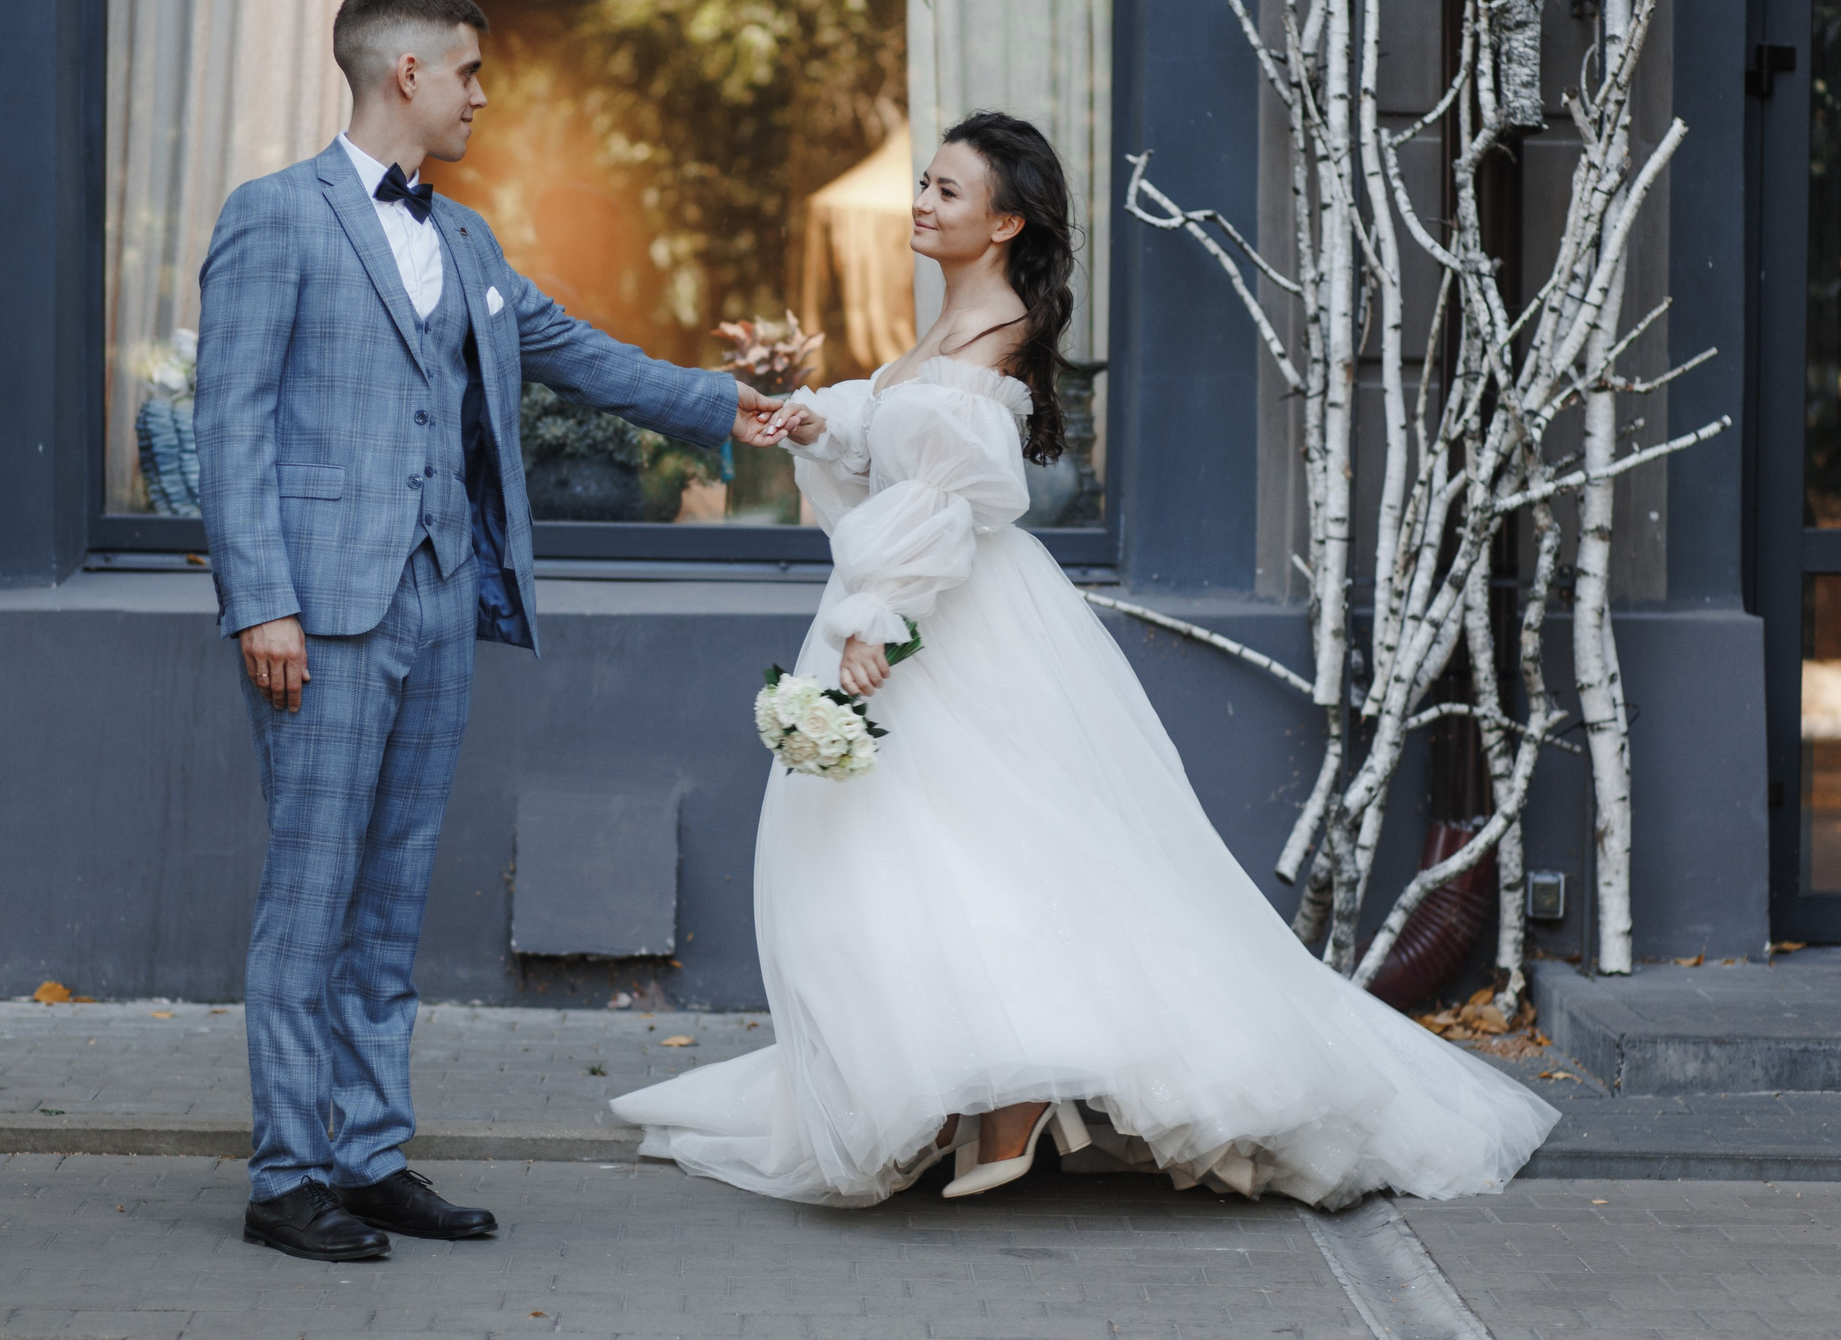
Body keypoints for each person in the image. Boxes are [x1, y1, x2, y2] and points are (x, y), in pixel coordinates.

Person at [611, 112, 1559, 1208]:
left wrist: (878, 617)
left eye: (949, 192)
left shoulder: (993, 328)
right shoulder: (950, 323)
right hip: (928, 601)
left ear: (1006, 223)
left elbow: (952, 499)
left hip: (951, 619)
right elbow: (894, 448)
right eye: (924, 183)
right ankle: (976, 1099)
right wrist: (823, 430)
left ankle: (1011, 1101)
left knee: (985, 856)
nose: (921, 201)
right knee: (933, 861)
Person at [195, 0, 794, 1262]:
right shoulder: (273, 218)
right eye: (467, 71)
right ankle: (287, 1177)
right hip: (319, 616)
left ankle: (367, 1154)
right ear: (405, 72)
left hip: (436, 601)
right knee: (313, 897)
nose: (480, 95)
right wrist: (263, 603)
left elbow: (570, 349)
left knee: (393, 892)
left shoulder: (463, 242)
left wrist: (715, 405)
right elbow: (229, 422)